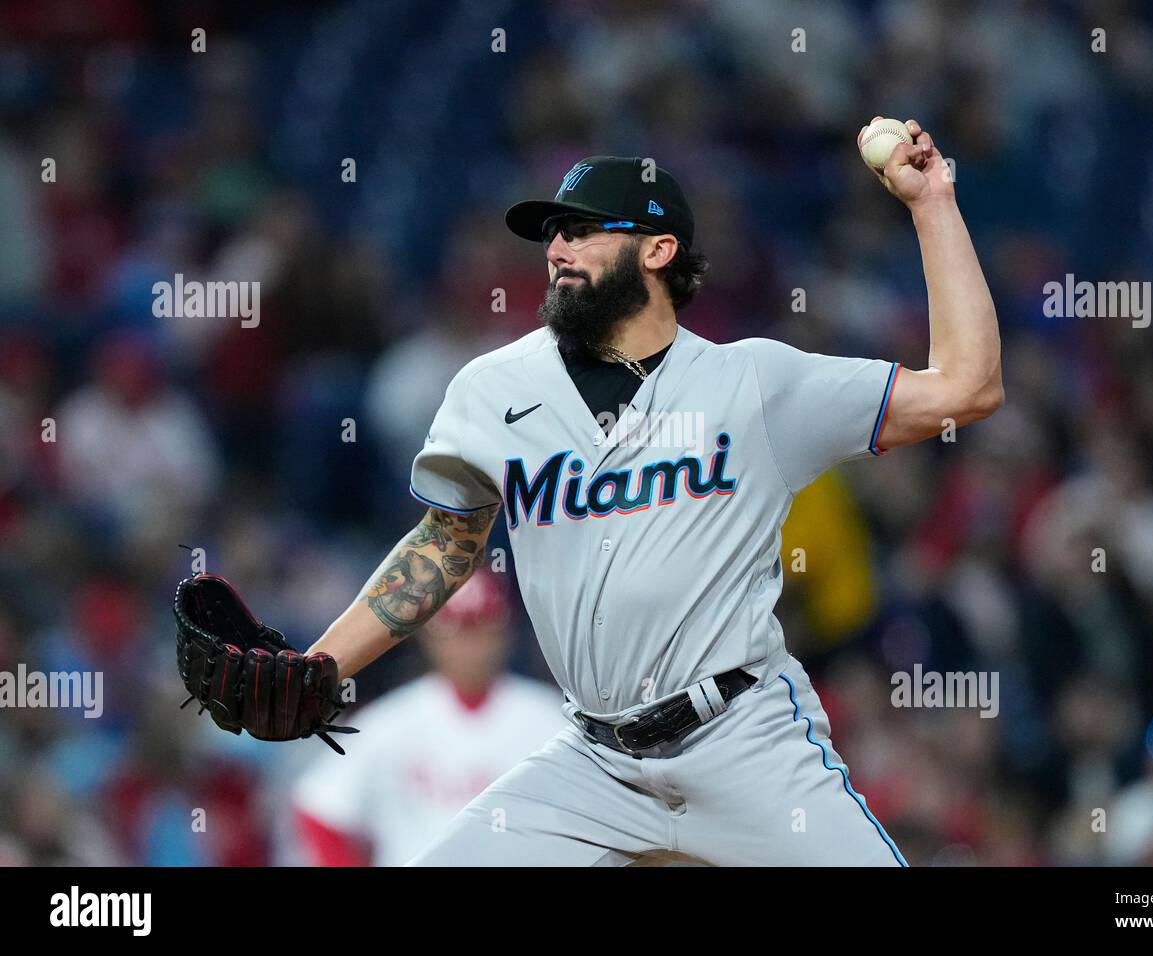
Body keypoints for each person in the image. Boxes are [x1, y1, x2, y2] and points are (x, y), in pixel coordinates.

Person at [306, 119, 1002, 865]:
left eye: (581, 231)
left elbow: (968, 386)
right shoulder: (493, 389)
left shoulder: (755, 384)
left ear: (658, 248)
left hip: (744, 739)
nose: (557, 249)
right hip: (593, 760)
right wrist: (321, 668)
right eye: (553, 235)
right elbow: (444, 543)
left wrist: (932, 204)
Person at [293, 573, 563, 866]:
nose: (469, 646)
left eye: (480, 629)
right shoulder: (392, 720)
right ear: (430, 637)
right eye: (457, 631)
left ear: (506, 632)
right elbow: (319, 807)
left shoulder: (550, 719)